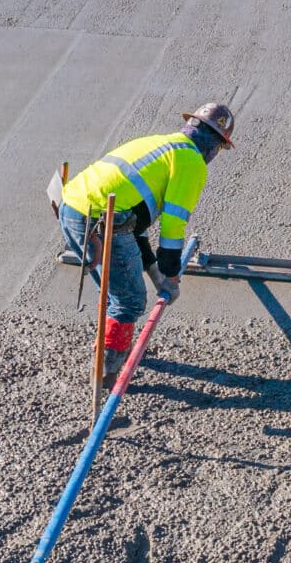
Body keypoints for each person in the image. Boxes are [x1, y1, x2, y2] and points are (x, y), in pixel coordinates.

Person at [52, 103, 239, 384]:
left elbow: (136, 225)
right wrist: (172, 276)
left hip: (72, 208)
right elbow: (173, 226)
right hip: (102, 220)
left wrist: (156, 274)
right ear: (216, 144)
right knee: (129, 299)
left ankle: (113, 346)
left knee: (118, 289)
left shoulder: (161, 143)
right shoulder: (192, 162)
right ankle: (106, 374)